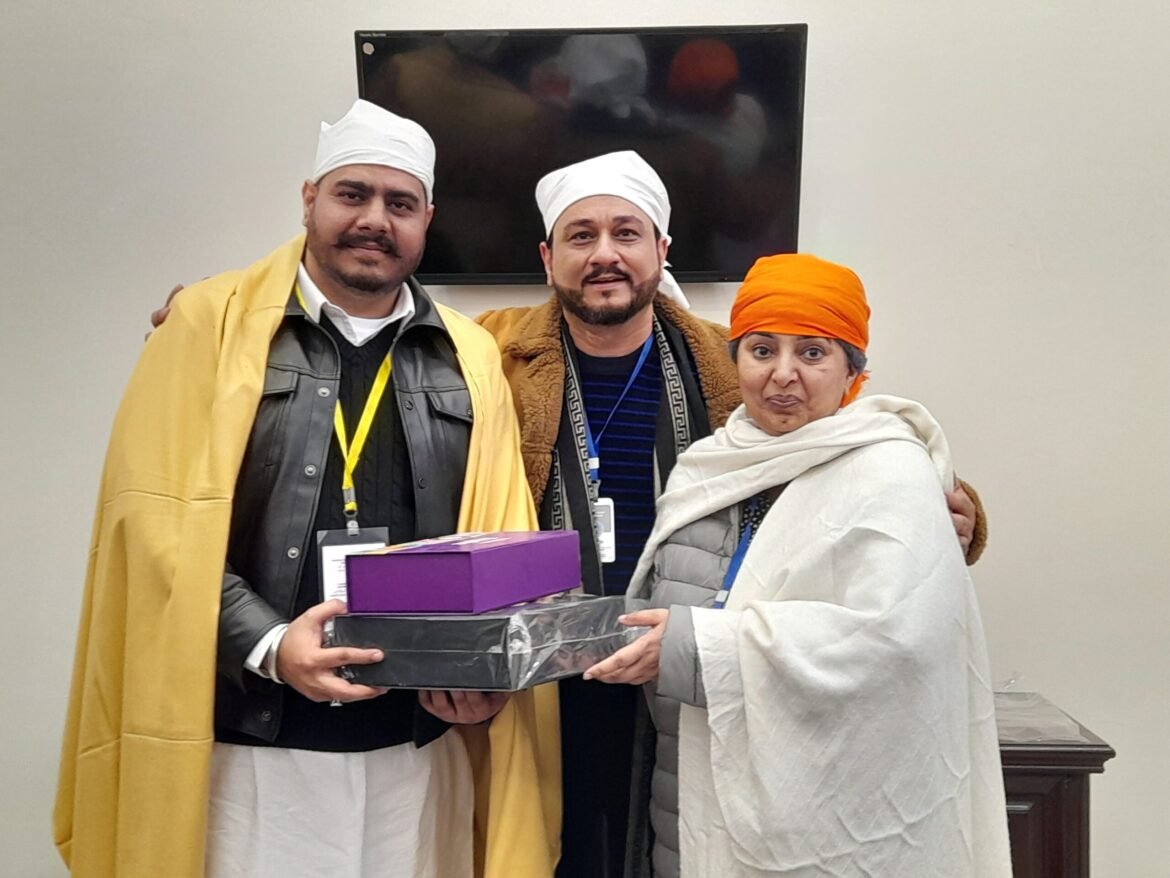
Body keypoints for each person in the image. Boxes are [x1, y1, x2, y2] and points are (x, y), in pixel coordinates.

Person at [55, 100, 559, 878]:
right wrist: (267, 643)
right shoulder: (207, 327)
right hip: (249, 749)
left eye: (400, 203)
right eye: (352, 194)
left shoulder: (469, 353)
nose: (374, 220)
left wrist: (479, 670)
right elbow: (154, 527)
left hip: (415, 752)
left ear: (427, 220)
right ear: (309, 199)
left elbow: (495, 530)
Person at [476, 152, 988, 878]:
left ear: (662, 249)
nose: (604, 254)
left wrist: (952, 515)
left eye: (627, 233)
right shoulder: (491, 355)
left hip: (684, 675)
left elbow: (841, 443)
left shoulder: (730, 356)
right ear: (547, 256)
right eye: (581, 235)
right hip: (541, 680)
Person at [585, 254, 1012, 877]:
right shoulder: (707, 466)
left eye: (812, 353)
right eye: (762, 350)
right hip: (686, 791)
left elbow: (896, 642)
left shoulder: (889, 473)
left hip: (824, 815)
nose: (782, 374)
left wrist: (698, 647)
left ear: (853, 371)